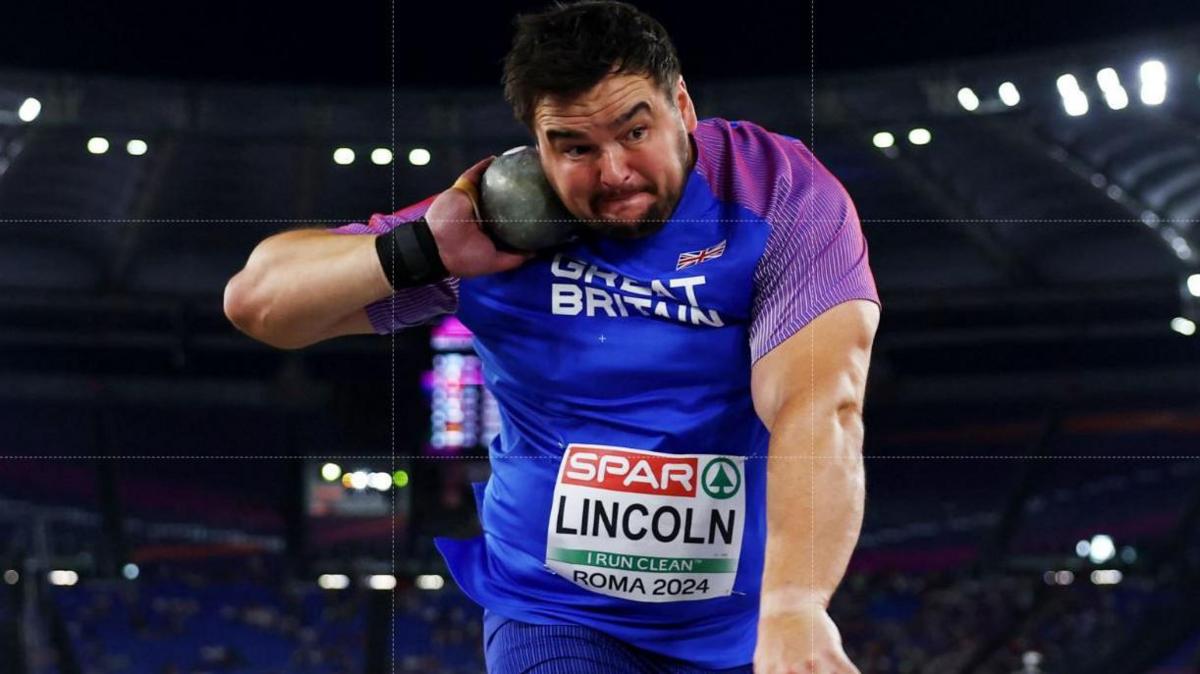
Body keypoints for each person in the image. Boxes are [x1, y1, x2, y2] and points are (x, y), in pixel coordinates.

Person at [223, 1, 880, 671]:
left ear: (682, 106)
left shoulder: (777, 196)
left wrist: (796, 604)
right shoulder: (499, 221)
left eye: (634, 131)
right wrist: (424, 249)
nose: (614, 172)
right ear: (538, 147)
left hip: (746, 624)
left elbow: (816, 403)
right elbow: (259, 303)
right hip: (554, 613)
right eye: (576, 148)